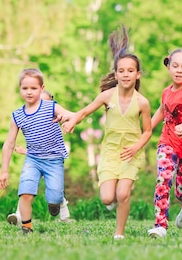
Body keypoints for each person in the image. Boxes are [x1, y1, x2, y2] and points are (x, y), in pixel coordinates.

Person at [62, 26, 152, 239]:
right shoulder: (107, 96)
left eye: (130, 71)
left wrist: (136, 147)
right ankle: (116, 205)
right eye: (121, 71)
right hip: (110, 153)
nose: (126, 74)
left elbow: (148, 131)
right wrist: (73, 119)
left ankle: (119, 233)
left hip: (131, 153)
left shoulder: (142, 102)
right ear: (116, 73)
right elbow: (84, 111)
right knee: (106, 198)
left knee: (123, 194)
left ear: (137, 74)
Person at [0, 68, 71, 234]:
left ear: (42, 88)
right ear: (20, 89)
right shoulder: (17, 115)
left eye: (33, 88)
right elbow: (9, 143)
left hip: (54, 160)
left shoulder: (51, 106)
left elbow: (69, 115)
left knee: (54, 197)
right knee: (25, 193)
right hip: (33, 160)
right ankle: (27, 227)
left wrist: (66, 119)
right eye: (25, 88)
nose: (29, 92)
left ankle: (55, 203)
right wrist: (4, 171)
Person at [147, 48, 182, 239]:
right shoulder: (166, 92)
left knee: (181, 190)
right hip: (168, 142)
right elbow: (161, 112)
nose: (179, 70)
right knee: (163, 178)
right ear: (168, 66)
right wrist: (146, 129)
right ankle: (160, 225)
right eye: (175, 66)